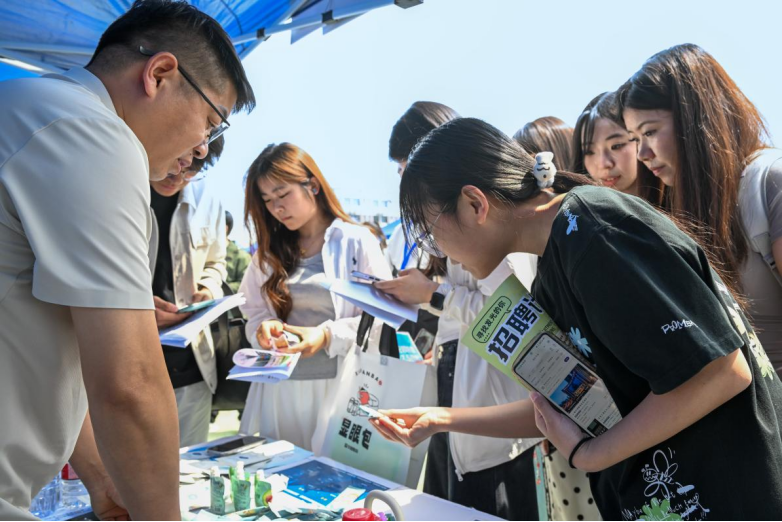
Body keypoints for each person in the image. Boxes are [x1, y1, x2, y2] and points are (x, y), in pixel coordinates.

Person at [372, 117, 782, 520]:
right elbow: (573, 403)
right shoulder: (555, 264)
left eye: (430, 233)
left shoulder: (594, 229)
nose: (439, 252)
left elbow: (719, 372)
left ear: (475, 204)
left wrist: (591, 454)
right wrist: (440, 419)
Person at [0, 0, 255, 519]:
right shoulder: (92, 132)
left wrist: (101, 477)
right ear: (159, 74)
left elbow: (47, 334)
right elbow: (129, 384)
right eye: (210, 123)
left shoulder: (32, 107)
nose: (202, 150)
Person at [377, 104, 541, 520]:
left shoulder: (494, 228)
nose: (406, 181)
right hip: (457, 412)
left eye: (410, 167)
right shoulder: (456, 229)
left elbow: (510, 314)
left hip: (497, 430)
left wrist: (432, 295)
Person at [618, 44, 782, 375]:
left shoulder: (769, 182)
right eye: (635, 138)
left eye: (650, 131)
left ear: (695, 118)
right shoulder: (679, 214)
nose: (642, 154)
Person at [238, 143, 391, 451]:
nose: (276, 208)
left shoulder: (355, 240)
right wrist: (264, 328)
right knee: (278, 473)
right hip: (280, 389)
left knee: (334, 474)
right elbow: (251, 310)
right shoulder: (268, 253)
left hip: (340, 386)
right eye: (267, 200)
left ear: (313, 186)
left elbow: (380, 316)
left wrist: (325, 336)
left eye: (283, 194)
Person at [149, 136, 227, 448]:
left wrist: (207, 289)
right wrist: (134, 307)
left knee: (189, 467)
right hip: (130, 357)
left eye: (191, 171)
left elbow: (216, 261)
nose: (177, 176)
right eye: (176, 164)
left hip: (190, 364)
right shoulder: (119, 190)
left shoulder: (208, 199)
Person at [571, 92, 665, 205]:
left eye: (616, 146)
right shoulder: (575, 212)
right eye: (589, 151)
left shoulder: (680, 202)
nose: (603, 164)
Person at [225, 211, 252, 294]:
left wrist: (215, 289)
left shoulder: (242, 256)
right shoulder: (205, 255)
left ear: (225, 229)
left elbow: (245, 284)